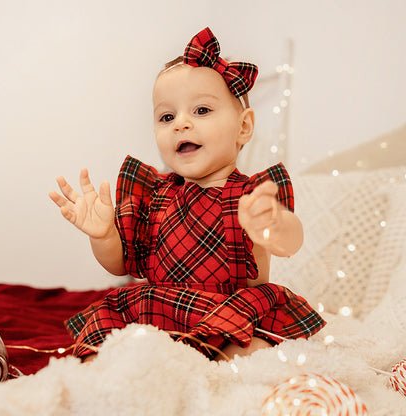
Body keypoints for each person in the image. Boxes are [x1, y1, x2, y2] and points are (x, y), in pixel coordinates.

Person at [49, 27, 325, 362]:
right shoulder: (154, 195)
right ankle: (113, 380)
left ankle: (213, 382)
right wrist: (104, 235)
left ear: (244, 127)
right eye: (167, 116)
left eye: (202, 111)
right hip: (162, 314)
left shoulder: (251, 194)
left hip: (229, 316)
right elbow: (119, 264)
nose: (181, 124)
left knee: (252, 353)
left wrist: (272, 224)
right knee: (106, 341)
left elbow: (291, 242)